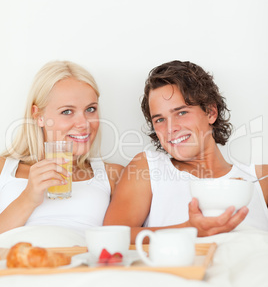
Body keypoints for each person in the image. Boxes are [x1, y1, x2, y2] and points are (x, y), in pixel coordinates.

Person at [103, 60, 268, 243]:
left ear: (211, 112)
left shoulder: (261, 179)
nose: (170, 128)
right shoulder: (149, 168)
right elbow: (111, 237)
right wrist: (189, 230)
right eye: (159, 120)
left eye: (181, 112)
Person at [0, 60, 123, 236]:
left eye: (90, 109)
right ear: (38, 115)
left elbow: (121, 242)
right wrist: (28, 197)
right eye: (67, 111)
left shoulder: (113, 175)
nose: (84, 123)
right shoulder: (4, 169)